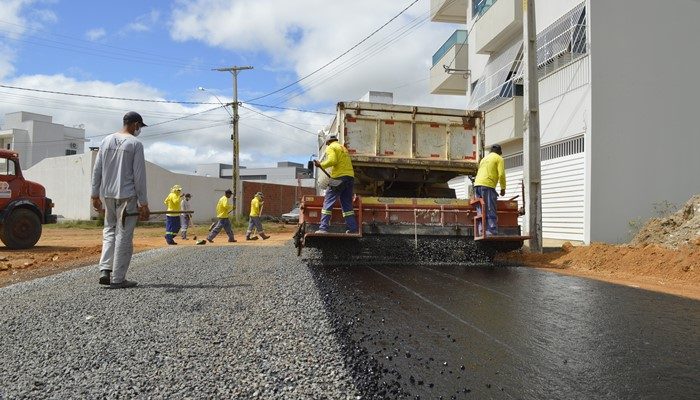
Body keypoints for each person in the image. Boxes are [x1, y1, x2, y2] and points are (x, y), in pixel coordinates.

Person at [90, 111, 150, 289]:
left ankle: (105, 270)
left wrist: (94, 195)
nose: (139, 130)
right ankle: (118, 278)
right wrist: (144, 203)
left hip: (108, 195)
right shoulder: (135, 144)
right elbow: (139, 176)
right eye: (140, 126)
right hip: (127, 197)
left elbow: (97, 169)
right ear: (136, 124)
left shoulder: (106, 140)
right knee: (124, 235)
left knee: (109, 230)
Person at [313, 133, 358, 234]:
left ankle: (323, 228)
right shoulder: (343, 148)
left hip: (338, 178)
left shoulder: (331, 147)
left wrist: (321, 164)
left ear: (328, 142)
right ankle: (352, 229)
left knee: (328, 202)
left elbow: (333, 160)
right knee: (347, 204)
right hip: (350, 177)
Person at [473, 143, 506, 236]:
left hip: (477, 185)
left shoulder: (484, 159)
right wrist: (503, 188)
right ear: (500, 152)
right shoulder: (499, 158)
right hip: (487, 185)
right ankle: (491, 231)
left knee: (480, 209)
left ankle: (481, 231)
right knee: (490, 208)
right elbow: (501, 174)